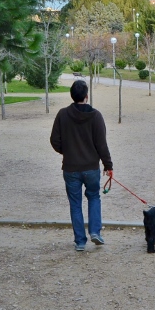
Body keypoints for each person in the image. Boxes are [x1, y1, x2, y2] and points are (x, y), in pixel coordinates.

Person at [50, 80, 113, 251]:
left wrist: (67, 151)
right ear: (86, 96)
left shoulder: (62, 114)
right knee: (94, 197)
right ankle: (95, 232)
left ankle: (80, 241)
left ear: (72, 95)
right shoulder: (96, 115)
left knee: (75, 203)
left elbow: (54, 140)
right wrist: (108, 165)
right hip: (91, 167)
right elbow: (102, 144)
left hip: (70, 168)